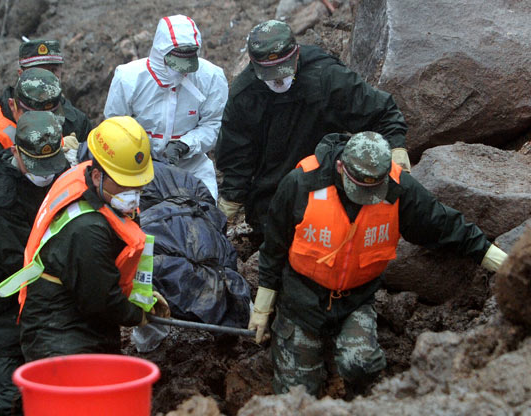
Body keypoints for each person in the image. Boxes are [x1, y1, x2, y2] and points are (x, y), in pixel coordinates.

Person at [248, 131, 509, 396]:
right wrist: (262, 307)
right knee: (296, 395)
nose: (366, 196)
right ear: (341, 167)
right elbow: (274, 246)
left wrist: (506, 264)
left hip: (355, 300)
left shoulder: (398, 189)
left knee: (361, 365)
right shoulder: (301, 184)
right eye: (359, 188)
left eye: (374, 189)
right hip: (300, 299)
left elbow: (445, 225)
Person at [215, 20, 410, 245]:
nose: (278, 79)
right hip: (273, 189)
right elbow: (237, 153)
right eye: (269, 73)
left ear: (296, 55)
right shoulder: (245, 94)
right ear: (253, 63)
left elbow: (381, 112)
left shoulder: (326, 77)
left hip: (327, 176)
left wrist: (396, 149)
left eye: (283, 69)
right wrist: (231, 199)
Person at [10, 116, 170, 361]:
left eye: (138, 186)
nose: (133, 196)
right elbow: (100, 298)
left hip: (76, 315)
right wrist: (137, 314)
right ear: (97, 176)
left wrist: (145, 296)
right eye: (125, 186)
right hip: (59, 332)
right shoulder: (87, 229)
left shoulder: (88, 186)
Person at [0, 111, 68, 416]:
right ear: (17, 152)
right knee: (7, 397)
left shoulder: (58, 174)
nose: (45, 175)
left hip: (36, 308)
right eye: (38, 167)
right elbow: (21, 263)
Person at [104, 14, 228, 200]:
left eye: (187, 66)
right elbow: (114, 128)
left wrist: (184, 145)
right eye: (176, 65)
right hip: (137, 166)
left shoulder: (211, 78)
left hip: (190, 166)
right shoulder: (128, 79)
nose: (181, 72)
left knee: (204, 216)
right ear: (160, 53)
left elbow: (214, 124)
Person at [0, 67, 73, 231]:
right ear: (13, 106)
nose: (42, 121)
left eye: (49, 114)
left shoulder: (52, 120)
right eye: (34, 114)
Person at [18, 39, 93, 142]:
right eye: (39, 71)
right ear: (21, 74)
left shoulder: (77, 122)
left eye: (53, 70)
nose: (48, 77)